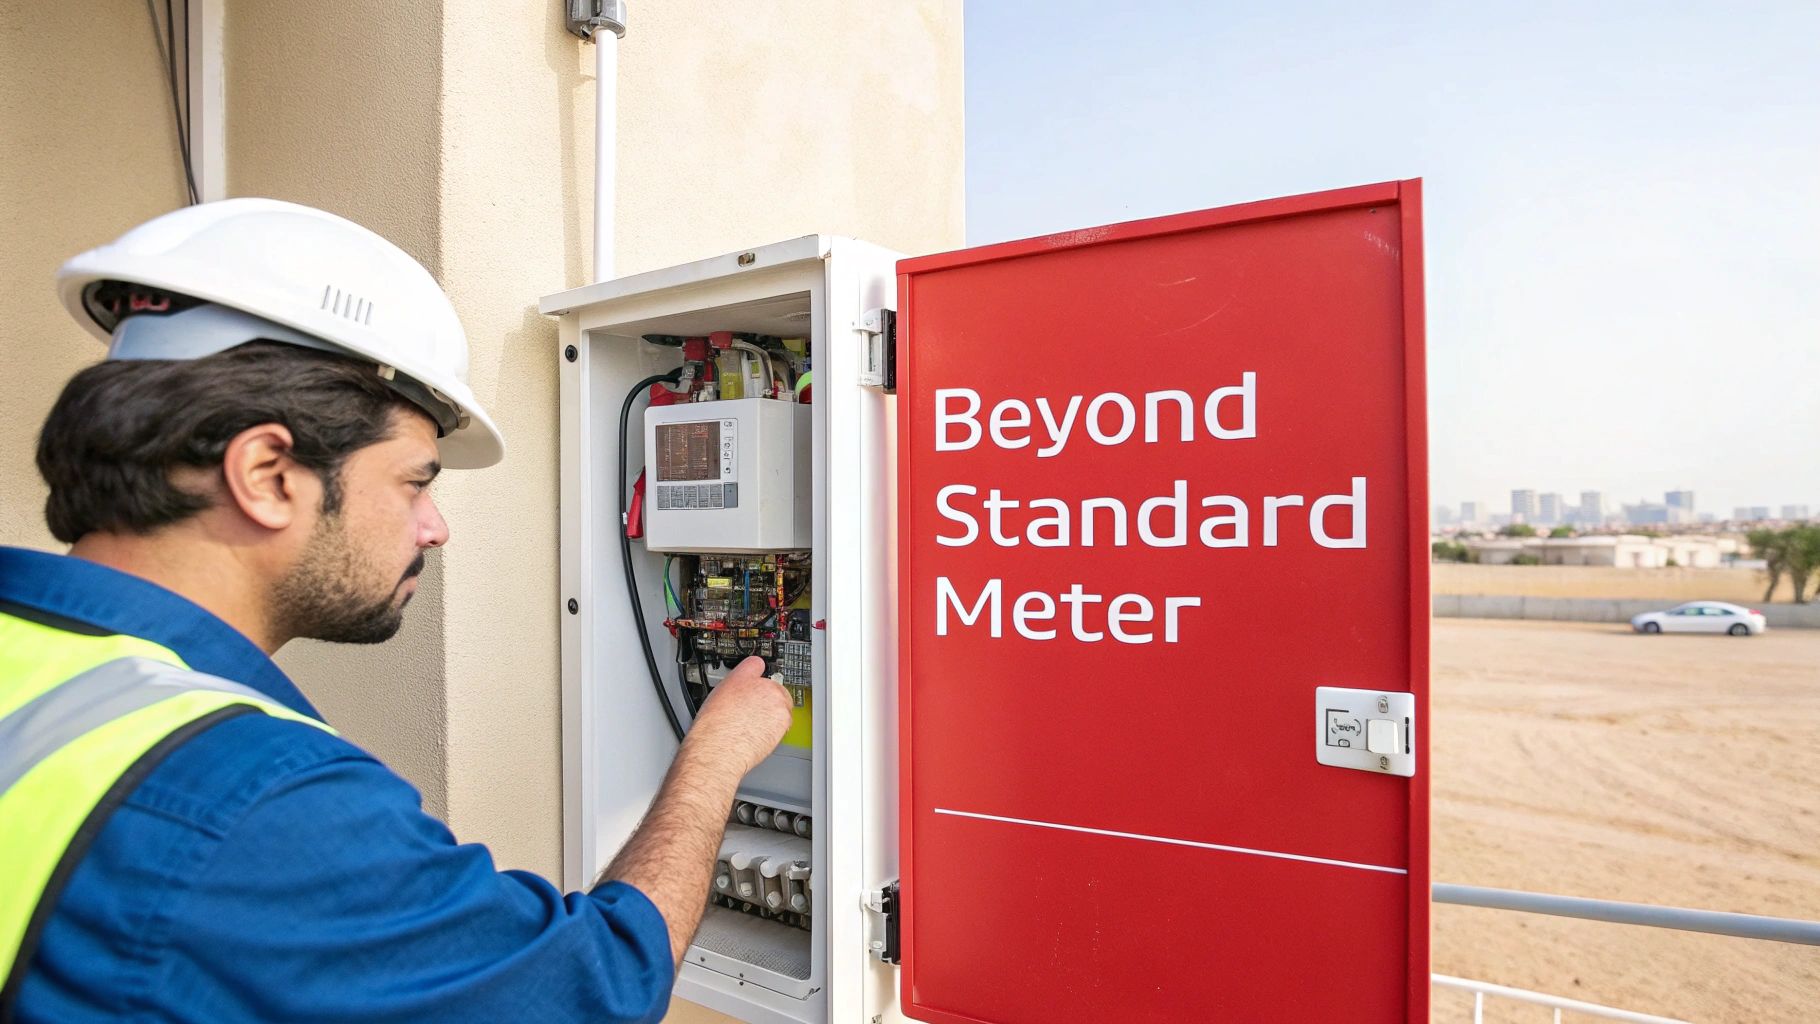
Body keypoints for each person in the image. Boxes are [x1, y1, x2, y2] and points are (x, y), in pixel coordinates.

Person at [0, 199, 794, 1022]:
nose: (435, 527)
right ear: (269, 474)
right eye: (416, 481)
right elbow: (598, 987)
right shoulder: (254, 800)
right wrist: (713, 758)